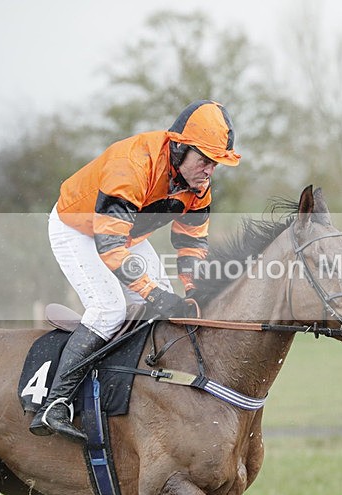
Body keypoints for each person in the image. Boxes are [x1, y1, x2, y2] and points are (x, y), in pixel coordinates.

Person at [30, 100, 241, 441]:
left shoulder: (199, 186)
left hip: (126, 234)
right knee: (109, 308)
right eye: (204, 160)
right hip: (79, 229)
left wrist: (193, 292)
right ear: (179, 149)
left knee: (162, 310)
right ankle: (55, 403)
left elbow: (191, 244)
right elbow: (109, 247)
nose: (208, 171)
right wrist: (153, 294)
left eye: (215, 163)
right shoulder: (132, 166)